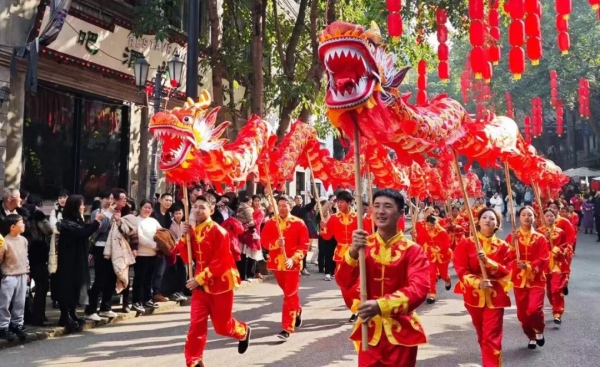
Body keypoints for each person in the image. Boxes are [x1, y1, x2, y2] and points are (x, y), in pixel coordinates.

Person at [336, 189, 428, 367]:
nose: (380, 211)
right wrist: (353, 252)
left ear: (401, 213)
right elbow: (343, 281)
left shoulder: (413, 250)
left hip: (401, 333)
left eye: (387, 206)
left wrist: (380, 305)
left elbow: (419, 290)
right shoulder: (363, 247)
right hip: (369, 332)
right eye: (376, 206)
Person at [179, 196, 251, 366]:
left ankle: (243, 331)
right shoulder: (193, 231)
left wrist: (199, 279)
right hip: (199, 288)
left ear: (211, 210)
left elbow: (221, 261)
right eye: (195, 207)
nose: (197, 210)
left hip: (221, 285)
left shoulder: (219, 231)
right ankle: (194, 360)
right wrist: (184, 238)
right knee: (196, 325)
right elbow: (186, 257)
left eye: (202, 207)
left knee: (222, 327)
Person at [453, 208, 513, 367]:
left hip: (496, 296)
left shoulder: (504, 246)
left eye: (492, 219)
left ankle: (491, 363)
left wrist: (488, 261)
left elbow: (508, 270)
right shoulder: (466, 243)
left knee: (491, 336)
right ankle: (489, 357)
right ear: (477, 222)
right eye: (484, 217)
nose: (488, 220)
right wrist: (477, 282)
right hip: (473, 296)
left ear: (497, 225)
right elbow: (460, 268)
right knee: (482, 335)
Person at [261, 195, 309, 341]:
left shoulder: (299, 223)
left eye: (285, 205)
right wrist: (276, 243)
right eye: (279, 205)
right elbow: (264, 242)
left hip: (292, 266)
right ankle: (297, 310)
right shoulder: (271, 223)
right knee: (289, 293)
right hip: (277, 264)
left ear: (291, 206)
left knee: (289, 295)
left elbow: (304, 245)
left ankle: (287, 328)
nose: (282, 208)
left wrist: (294, 259)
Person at [56, 195, 103, 332]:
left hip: (78, 259)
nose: (84, 207)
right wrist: (96, 222)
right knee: (67, 287)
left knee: (77, 285)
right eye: (81, 205)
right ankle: (65, 315)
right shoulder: (66, 223)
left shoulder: (78, 220)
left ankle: (72, 312)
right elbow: (83, 233)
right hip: (68, 261)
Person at [505, 206, 549, 349]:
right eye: (524, 215)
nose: (527, 217)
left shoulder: (540, 238)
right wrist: (512, 246)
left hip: (536, 279)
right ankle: (531, 336)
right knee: (523, 314)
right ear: (519, 217)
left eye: (530, 215)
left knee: (534, 309)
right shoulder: (513, 236)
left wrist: (529, 266)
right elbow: (505, 257)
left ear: (534, 218)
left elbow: (544, 258)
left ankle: (538, 330)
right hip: (519, 280)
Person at [320, 191, 361, 322]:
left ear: (349, 202)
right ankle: (353, 308)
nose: (339, 204)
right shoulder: (334, 218)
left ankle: (357, 309)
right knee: (343, 285)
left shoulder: (358, 217)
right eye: (338, 202)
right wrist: (323, 227)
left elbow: (369, 233)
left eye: (342, 201)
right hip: (340, 254)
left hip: (356, 254)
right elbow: (327, 236)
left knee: (356, 284)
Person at [84, 191, 118, 321]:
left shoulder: (114, 212)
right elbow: (101, 228)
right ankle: (91, 309)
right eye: (107, 198)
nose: (109, 201)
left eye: (111, 198)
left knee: (111, 278)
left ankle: (106, 307)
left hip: (113, 247)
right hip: (100, 247)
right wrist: (108, 213)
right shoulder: (96, 213)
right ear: (101, 199)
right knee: (100, 279)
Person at [538, 208, 571, 326]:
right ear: (543, 217)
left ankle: (557, 313)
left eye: (551, 216)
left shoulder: (560, 232)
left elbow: (565, 246)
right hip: (544, 264)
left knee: (556, 288)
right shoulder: (538, 232)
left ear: (555, 217)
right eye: (547, 216)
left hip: (557, 264)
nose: (549, 218)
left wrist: (557, 250)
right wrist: (544, 238)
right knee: (549, 290)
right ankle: (554, 305)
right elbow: (536, 249)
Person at [0, 215, 28, 340]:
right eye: (21, 223)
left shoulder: (24, 240)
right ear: (13, 227)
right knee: (4, 303)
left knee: (20, 302)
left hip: (22, 274)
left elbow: (26, 257)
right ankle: (3, 326)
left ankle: (18, 324)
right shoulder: (4, 242)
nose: (24, 225)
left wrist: (27, 271)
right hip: (8, 275)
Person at [132, 199, 162, 312]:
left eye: (149, 208)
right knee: (139, 278)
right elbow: (139, 238)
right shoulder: (136, 220)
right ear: (140, 208)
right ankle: (136, 300)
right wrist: (154, 245)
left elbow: (161, 232)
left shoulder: (153, 221)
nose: (147, 209)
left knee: (149, 278)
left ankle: (147, 298)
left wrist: (162, 244)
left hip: (153, 254)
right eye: (145, 207)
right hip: (140, 254)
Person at [422, 214, 452, 304]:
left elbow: (447, 244)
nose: (430, 227)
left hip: (443, 255)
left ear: (436, 223)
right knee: (432, 274)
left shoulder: (442, 232)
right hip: (431, 255)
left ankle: (447, 280)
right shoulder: (426, 230)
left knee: (443, 275)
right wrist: (415, 234)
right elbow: (422, 239)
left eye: (432, 225)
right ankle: (432, 295)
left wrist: (439, 249)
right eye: (428, 225)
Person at [49, 190, 68, 309]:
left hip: (69, 246)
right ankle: (55, 298)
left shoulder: (73, 210)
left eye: (65, 197)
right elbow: (53, 227)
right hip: (56, 247)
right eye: (60, 197)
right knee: (55, 273)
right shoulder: (54, 211)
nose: (62, 199)